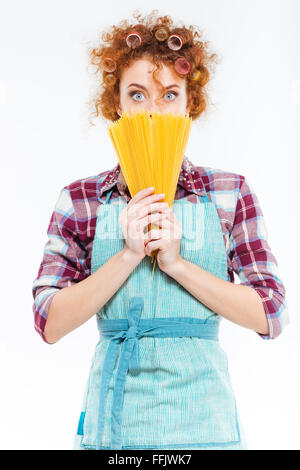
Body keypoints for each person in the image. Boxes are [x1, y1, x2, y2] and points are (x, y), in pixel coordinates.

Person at [32, 10, 289, 450]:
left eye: (170, 95)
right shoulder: (81, 199)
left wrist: (176, 263)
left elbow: (271, 314)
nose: (152, 112)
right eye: (137, 94)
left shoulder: (228, 192)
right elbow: (49, 322)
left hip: (206, 427)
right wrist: (129, 253)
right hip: (113, 429)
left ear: (190, 105)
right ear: (116, 103)